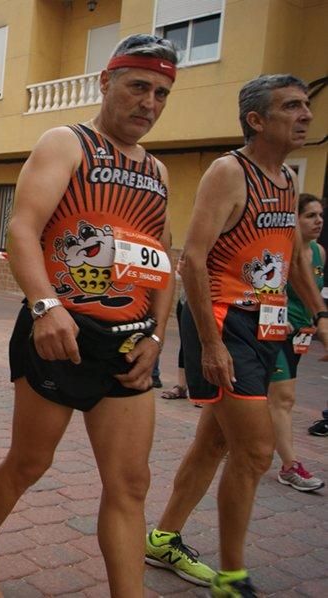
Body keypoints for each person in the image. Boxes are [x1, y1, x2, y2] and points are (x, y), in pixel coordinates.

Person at [0, 34, 178, 598]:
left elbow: (162, 262)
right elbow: (22, 229)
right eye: (138, 87)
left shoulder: (157, 170)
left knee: (130, 485)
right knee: (29, 463)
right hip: (59, 333)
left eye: (161, 92)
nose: (149, 103)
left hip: (130, 345)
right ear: (106, 82)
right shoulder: (67, 143)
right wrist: (46, 307)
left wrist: (158, 333)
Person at [144, 74, 328, 597]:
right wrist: (213, 344)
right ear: (256, 120)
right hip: (225, 322)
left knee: (216, 442)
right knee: (255, 451)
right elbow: (193, 261)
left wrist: (319, 314)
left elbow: (293, 259)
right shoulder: (229, 171)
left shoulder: (287, 179)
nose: (306, 115)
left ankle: (163, 538)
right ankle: (232, 576)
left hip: (267, 324)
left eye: (306, 106)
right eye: (292, 106)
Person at [268, 193, 325, 492]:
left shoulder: (319, 252)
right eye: (310, 216)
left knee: (265, 399)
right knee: (284, 398)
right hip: (275, 331)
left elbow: (313, 292)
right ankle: (290, 467)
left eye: (320, 215)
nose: (318, 221)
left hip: (301, 335)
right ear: (294, 219)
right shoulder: (279, 249)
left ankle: (241, 444)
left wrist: (318, 322)